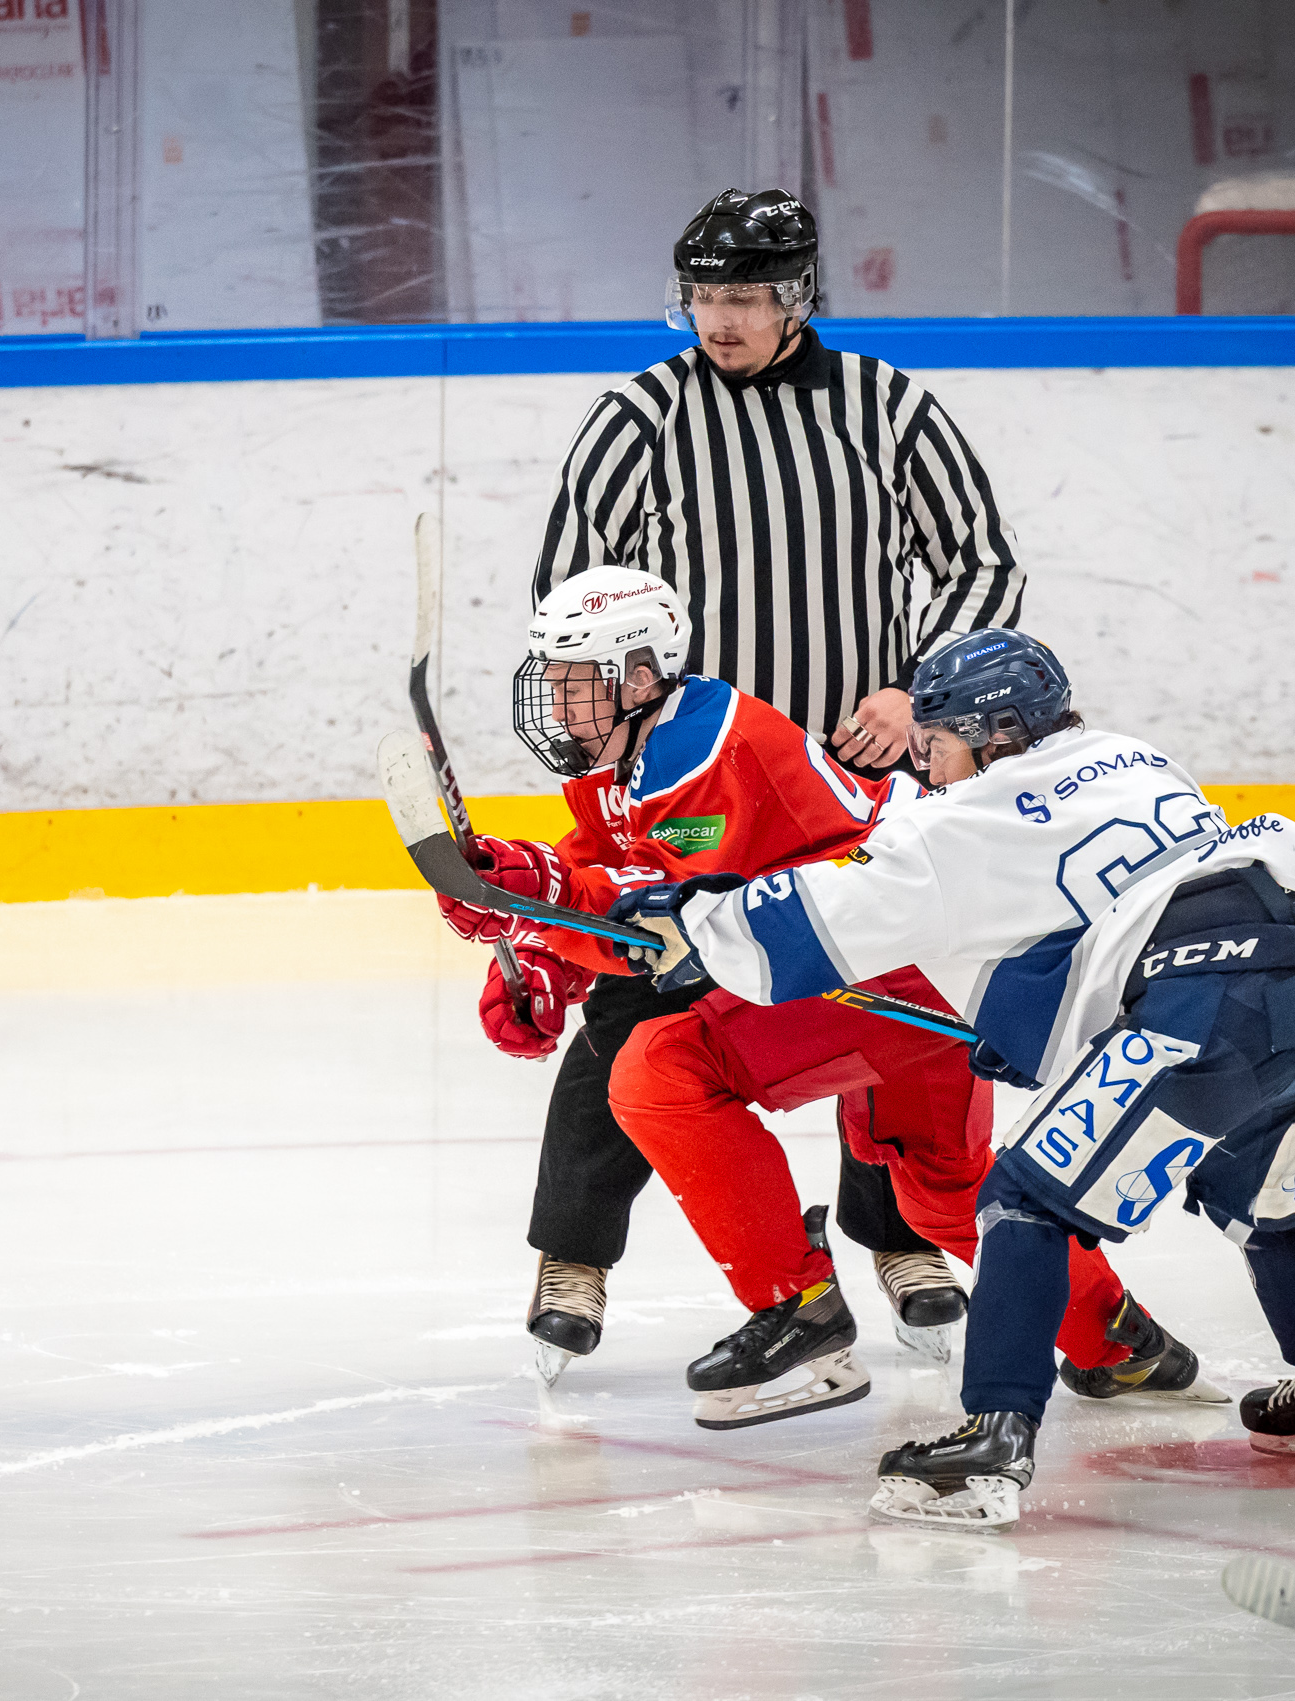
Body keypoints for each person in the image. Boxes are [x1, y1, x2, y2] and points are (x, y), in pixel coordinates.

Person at [607, 630, 1295, 1524]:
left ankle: (993, 1438)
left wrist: (692, 921)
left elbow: (830, 912)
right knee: (1275, 1206)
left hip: (1210, 999)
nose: (928, 765)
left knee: (1022, 1203)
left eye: (937, 742)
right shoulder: (1133, 756)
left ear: (995, 734)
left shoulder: (968, 817)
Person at [449, 572, 1220, 1428]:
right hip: (923, 962)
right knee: (940, 1189)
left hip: (884, 965)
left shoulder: (705, 752)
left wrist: (542, 909)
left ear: (636, 676)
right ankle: (1126, 1344)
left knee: (659, 1071)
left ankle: (799, 1304)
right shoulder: (631, 742)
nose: (556, 702)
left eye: (573, 681)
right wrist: (541, 942)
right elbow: (609, 855)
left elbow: (683, 928)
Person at [514, 185, 1029, 1366]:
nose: (721, 320)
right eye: (703, 297)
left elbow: (981, 563)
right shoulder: (640, 416)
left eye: (745, 297)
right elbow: (571, 595)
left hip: (849, 789)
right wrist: (610, 750)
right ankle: (575, 1256)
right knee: (637, 999)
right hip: (697, 786)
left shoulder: (888, 406)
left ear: (799, 297)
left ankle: (899, 1239)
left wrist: (917, 692)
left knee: (878, 1003)